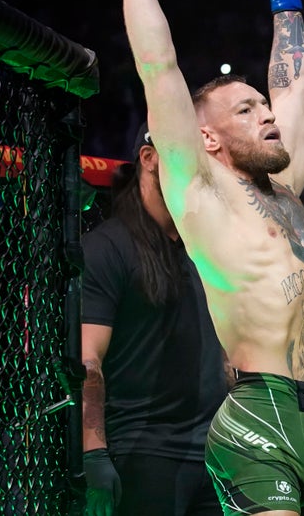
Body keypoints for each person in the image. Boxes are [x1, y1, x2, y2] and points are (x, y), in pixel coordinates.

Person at [98, 0, 304, 515]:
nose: (267, 113)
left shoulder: (284, 185)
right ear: (206, 137)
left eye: (263, 104)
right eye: (246, 109)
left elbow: (299, 89)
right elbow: (159, 67)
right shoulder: (204, 197)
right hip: (258, 419)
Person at [81, 124, 228, 516]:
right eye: (184, 153)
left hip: (215, 454)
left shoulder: (205, 248)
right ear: (148, 158)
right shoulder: (107, 247)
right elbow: (88, 360)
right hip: (143, 453)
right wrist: (94, 453)